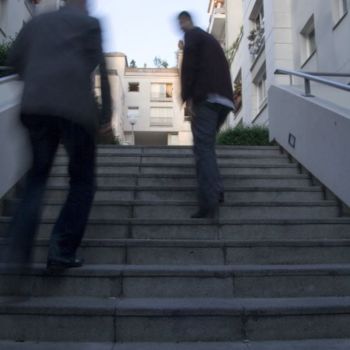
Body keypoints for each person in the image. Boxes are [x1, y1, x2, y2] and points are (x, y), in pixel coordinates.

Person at [4, 0, 112, 272]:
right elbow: (99, 68)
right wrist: (105, 114)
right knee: (82, 181)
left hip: (36, 105)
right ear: (83, 4)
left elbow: (14, 62)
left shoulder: (37, 23)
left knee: (37, 179)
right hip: (76, 108)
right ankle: (61, 251)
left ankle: (17, 249)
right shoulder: (89, 24)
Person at [178, 11, 235, 219]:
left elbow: (189, 67)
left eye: (181, 22)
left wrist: (187, 96)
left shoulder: (192, 36)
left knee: (202, 149)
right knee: (207, 147)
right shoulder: (210, 40)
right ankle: (217, 190)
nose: (181, 26)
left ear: (186, 21)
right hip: (225, 100)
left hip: (208, 99)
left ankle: (208, 202)